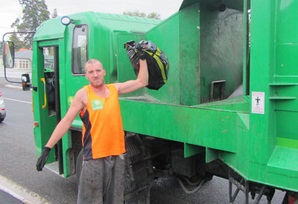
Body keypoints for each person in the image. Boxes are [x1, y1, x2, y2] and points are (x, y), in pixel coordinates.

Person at [36, 58, 148, 204]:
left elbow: (142, 81)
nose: (95, 74)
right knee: (91, 201)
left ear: (104, 72)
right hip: (95, 157)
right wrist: (47, 148)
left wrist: (143, 58)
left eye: (98, 70)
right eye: (91, 72)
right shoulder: (83, 95)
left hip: (117, 154)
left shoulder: (114, 89)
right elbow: (66, 121)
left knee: (115, 200)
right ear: (86, 76)